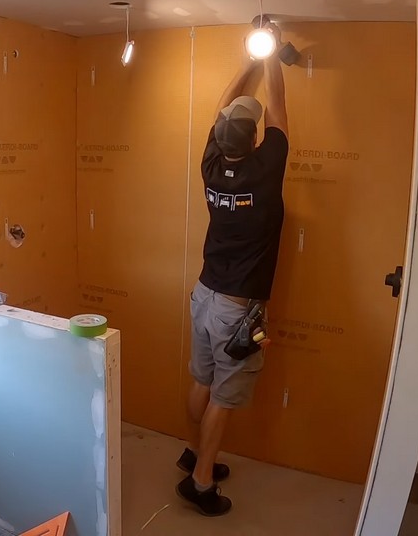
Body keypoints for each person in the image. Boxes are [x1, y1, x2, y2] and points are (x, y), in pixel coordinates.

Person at [176, 28, 289, 516]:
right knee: (223, 393)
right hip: (237, 308)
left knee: (202, 379)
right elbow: (279, 104)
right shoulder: (266, 168)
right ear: (255, 139)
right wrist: (273, 56)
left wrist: (249, 59)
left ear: (221, 138)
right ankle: (201, 483)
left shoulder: (210, 163)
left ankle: (192, 452)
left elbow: (224, 106)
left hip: (204, 295)